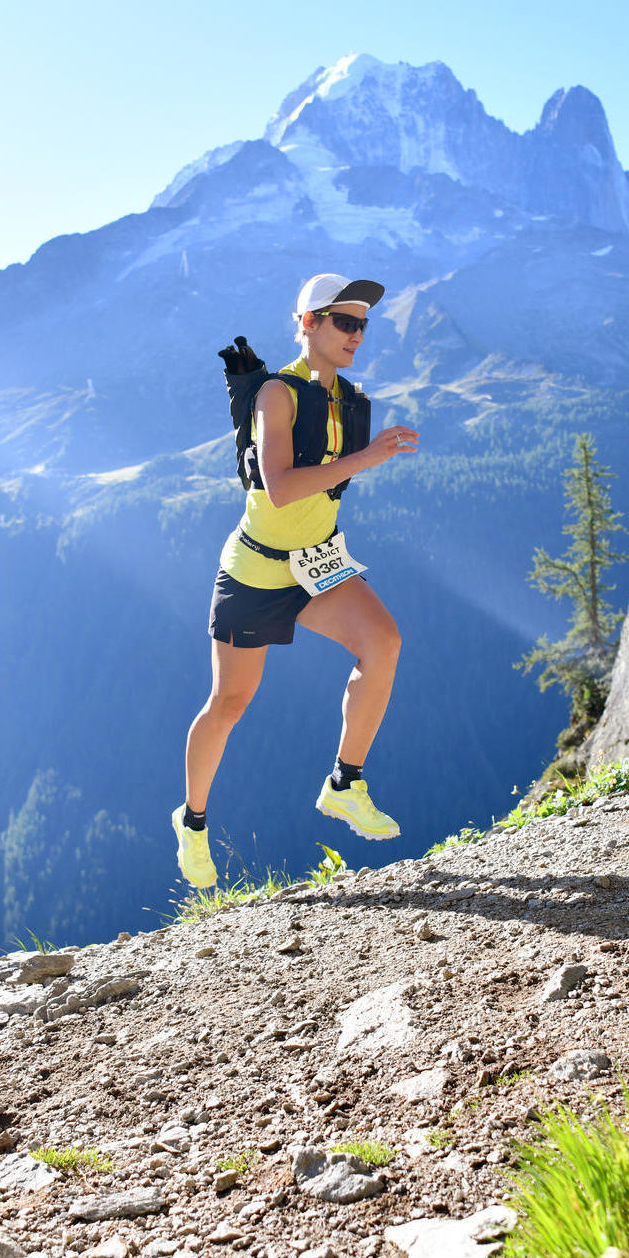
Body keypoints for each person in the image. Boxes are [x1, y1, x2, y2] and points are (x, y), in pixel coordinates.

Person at [173, 273, 421, 888]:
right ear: (308, 323)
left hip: (317, 564)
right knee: (230, 702)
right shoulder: (276, 396)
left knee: (383, 643)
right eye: (344, 321)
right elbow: (280, 489)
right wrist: (368, 457)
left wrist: (361, 456)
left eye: (362, 324)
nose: (356, 335)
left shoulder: (349, 400)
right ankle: (193, 822)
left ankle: (345, 784)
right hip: (255, 571)